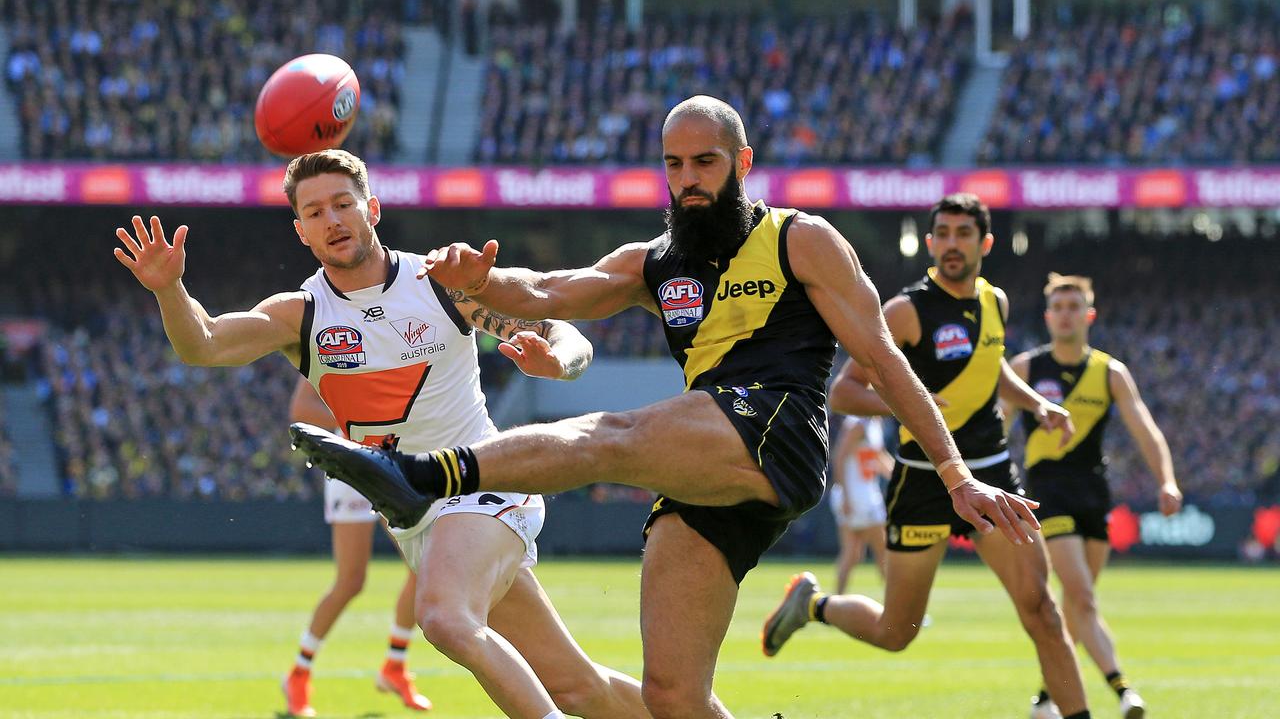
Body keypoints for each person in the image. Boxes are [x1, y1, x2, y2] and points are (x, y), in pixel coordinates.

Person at [287, 96, 1043, 719]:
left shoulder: (800, 240)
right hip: (707, 464)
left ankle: (421, 475)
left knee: (611, 436)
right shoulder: (656, 261)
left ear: (741, 165)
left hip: (775, 428)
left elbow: (880, 357)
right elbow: (550, 293)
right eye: (674, 164)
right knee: (673, 697)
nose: (688, 180)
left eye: (705, 162)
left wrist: (953, 471)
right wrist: (480, 278)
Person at [112, 149, 649, 719]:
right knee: (578, 686)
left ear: (371, 208)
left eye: (343, 204)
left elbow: (562, 330)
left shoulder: (441, 279)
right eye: (315, 212)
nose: (332, 220)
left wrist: (556, 362)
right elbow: (205, 344)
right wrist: (169, 290)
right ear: (300, 232)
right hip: (414, 517)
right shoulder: (302, 315)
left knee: (443, 618)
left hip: (486, 482)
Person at [759, 194, 1093, 719]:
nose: (951, 244)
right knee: (897, 632)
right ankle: (816, 604)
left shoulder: (994, 302)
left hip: (994, 476)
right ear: (930, 241)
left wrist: (1037, 402)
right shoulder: (906, 311)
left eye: (964, 233)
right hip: (923, 480)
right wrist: (911, 407)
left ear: (985, 243)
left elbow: (992, 363)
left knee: (1044, 613)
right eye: (942, 233)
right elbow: (844, 392)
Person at [1012, 273, 1182, 719]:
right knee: (1084, 598)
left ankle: (1046, 699)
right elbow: (994, 421)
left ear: (1089, 315)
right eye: (1058, 308)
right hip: (1048, 492)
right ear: (1048, 317)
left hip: (1093, 492)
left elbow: (1145, 429)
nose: (1066, 315)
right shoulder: (1027, 368)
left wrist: (1166, 479)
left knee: (1075, 606)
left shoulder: (1110, 373)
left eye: (1074, 307)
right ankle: (1122, 689)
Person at [282, 378, 430, 717]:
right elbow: (301, 410)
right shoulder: (336, 338)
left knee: (423, 565)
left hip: (395, 464)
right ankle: (298, 674)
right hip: (352, 467)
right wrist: (356, 421)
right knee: (350, 581)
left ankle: (395, 665)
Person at [829, 415, 892, 593]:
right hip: (857, 496)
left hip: (866, 493)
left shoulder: (875, 423)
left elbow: (878, 457)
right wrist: (845, 495)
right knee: (882, 551)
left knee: (853, 553)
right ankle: (898, 607)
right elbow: (839, 458)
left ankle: (835, 602)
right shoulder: (857, 425)